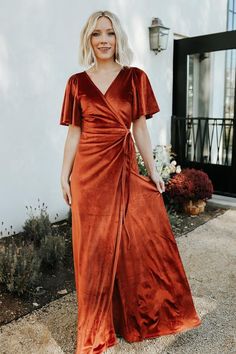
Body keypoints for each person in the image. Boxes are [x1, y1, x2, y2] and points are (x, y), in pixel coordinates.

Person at [59, 10, 201, 354]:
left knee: (138, 241)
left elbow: (139, 127)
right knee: (92, 253)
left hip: (122, 170)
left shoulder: (135, 78)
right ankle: (94, 330)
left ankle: (136, 316)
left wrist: (153, 170)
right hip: (88, 178)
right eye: (96, 34)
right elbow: (75, 132)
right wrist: (63, 174)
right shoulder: (77, 83)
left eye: (109, 33)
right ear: (88, 40)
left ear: (117, 37)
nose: (103, 40)